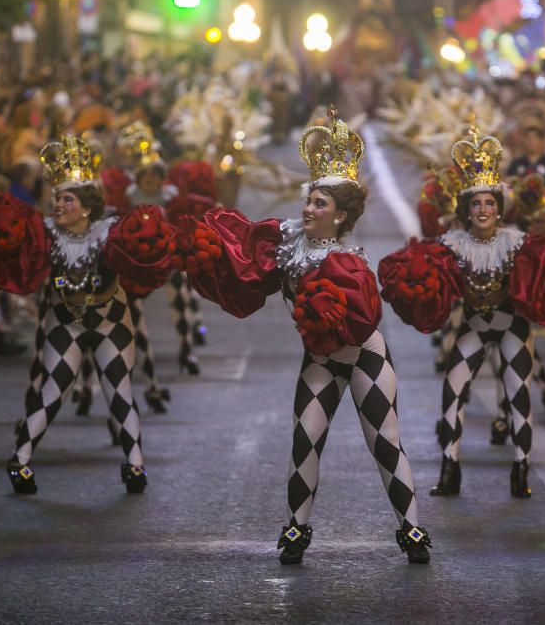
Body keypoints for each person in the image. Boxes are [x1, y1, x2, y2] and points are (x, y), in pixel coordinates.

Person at [182, 109, 431, 565]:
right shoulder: (288, 241)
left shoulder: (348, 260)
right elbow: (245, 256)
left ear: (340, 217)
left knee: (384, 442)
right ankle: (296, 529)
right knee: (305, 439)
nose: (308, 209)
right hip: (319, 359)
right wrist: (209, 247)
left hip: (364, 358)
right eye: (309, 199)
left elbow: (364, 317)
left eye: (320, 204)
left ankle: (412, 529)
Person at [379, 128, 545, 499]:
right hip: (472, 325)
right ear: (467, 209)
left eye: (490, 203)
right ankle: (450, 469)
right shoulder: (452, 244)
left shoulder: (516, 242)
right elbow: (421, 269)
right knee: (453, 393)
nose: (483, 210)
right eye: (476, 204)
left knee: (519, 396)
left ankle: (521, 469)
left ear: (500, 208)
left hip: (512, 326)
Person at [0, 135, 175, 494]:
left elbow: (149, 248)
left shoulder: (110, 232)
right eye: (56, 198)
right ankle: (20, 460)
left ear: (87, 206)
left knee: (118, 389)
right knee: (54, 389)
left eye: (67, 199)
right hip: (66, 322)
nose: (58, 205)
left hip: (112, 322)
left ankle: (135, 465)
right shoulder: (44, 235)